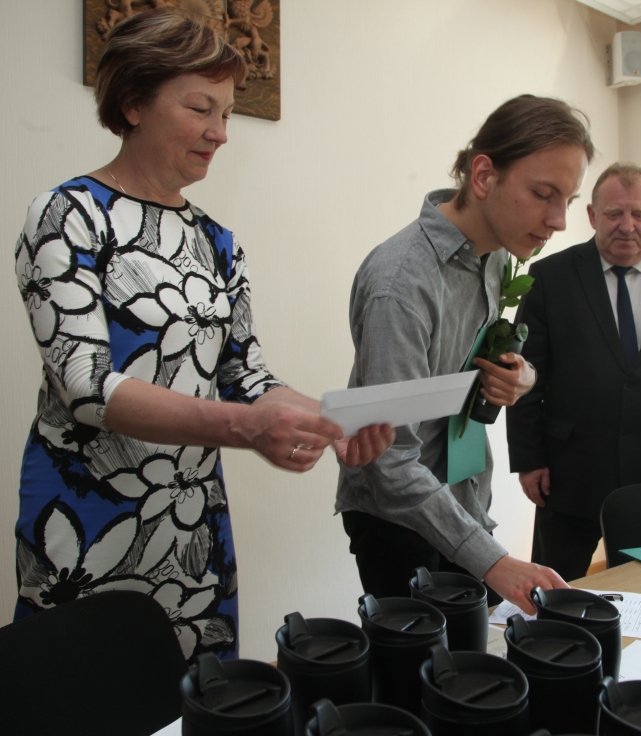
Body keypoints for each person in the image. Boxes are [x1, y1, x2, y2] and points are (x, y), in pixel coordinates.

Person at [12, 8, 393, 664]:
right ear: (133, 103)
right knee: (85, 694)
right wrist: (246, 428)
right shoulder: (68, 215)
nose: (220, 133)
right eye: (200, 109)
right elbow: (86, 386)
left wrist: (330, 421)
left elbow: (245, 375)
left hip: (190, 524)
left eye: (227, 113)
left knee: (202, 699)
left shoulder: (217, 242)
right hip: (86, 518)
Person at [337, 95, 595, 613]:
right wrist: (494, 561)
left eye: (568, 199)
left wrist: (522, 376)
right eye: (543, 194)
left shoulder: (497, 255)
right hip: (400, 518)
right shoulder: (400, 284)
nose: (559, 221)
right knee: (423, 663)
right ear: (483, 176)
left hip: (463, 495)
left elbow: (480, 363)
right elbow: (391, 464)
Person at [506, 162, 641, 582]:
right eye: (614, 214)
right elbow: (526, 374)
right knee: (556, 594)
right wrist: (529, 460)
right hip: (569, 476)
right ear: (592, 216)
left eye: (638, 214)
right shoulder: (550, 278)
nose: (627, 226)